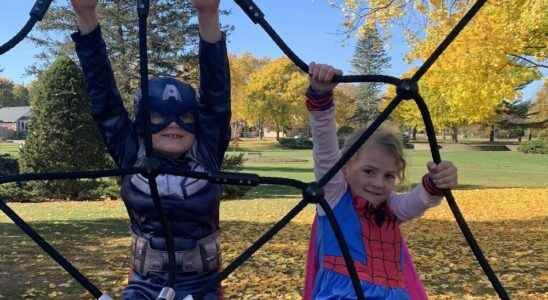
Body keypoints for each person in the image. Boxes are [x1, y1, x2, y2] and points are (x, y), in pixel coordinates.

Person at [70, 0, 230, 299]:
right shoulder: (132, 152)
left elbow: (216, 99)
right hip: (145, 284)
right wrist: (85, 14)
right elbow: (104, 101)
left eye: (184, 118)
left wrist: (208, 13)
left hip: (202, 286)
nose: (173, 126)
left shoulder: (205, 151)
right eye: (158, 117)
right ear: (143, 123)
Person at [302, 62, 458, 299]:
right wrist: (321, 96)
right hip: (343, 293)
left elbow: (415, 202)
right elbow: (325, 149)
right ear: (346, 167)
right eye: (369, 171)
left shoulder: (390, 208)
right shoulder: (333, 198)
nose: (378, 183)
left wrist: (435, 183)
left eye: (388, 176)